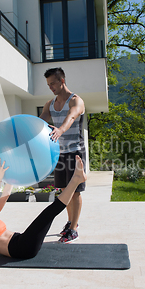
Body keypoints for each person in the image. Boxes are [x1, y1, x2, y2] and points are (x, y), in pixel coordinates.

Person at [0, 156, 87, 259]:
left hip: (22, 240)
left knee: (49, 214)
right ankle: (76, 179)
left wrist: (11, 175)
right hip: (22, 249)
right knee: (49, 213)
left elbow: (4, 197)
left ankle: (76, 179)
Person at [39, 67, 86, 243]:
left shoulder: (76, 101)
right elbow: (41, 120)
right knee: (64, 191)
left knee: (75, 192)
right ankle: (69, 222)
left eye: (53, 83)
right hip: (59, 152)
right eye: (48, 84)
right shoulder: (50, 104)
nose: (50, 87)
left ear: (62, 81)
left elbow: (71, 117)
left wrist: (60, 129)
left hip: (76, 152)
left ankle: (74, 228)